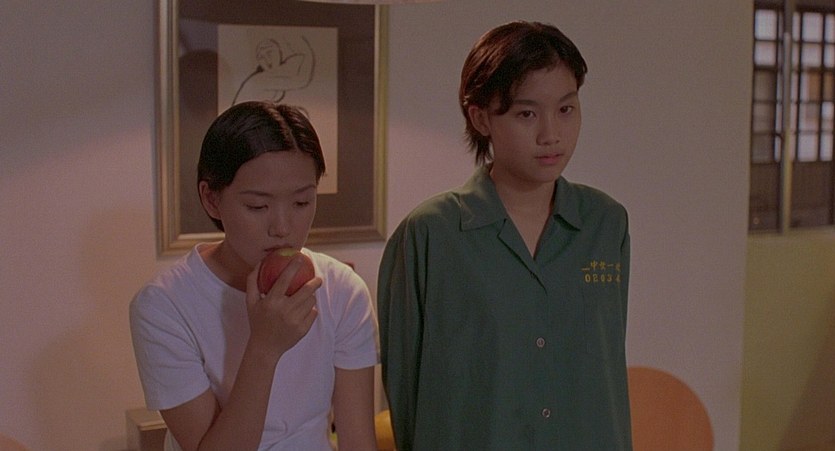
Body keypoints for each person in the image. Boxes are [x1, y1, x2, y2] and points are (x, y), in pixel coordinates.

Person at [377, 21, 632, 450]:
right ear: (480, 118)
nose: (551, 134)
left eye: (566, 109)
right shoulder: (430, 234)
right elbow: (405, 389)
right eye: (526, 114)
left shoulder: (606, 223)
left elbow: (605, 369)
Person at [130, 101, 379, 451]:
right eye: (258, 206)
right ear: (211, 199)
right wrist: (264, 348)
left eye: (302, 203)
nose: (282, 227)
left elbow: (358, 441)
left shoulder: (342, 290)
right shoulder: (164, 305)